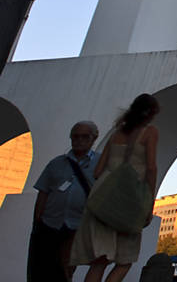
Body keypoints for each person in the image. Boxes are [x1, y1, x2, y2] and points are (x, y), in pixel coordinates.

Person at [71, 94, 160, 282]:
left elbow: (97, 171)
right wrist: (150, 200)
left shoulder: (117, 133)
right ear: (151, 114)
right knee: (124, 260)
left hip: (103, 198)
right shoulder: (149, 132)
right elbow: (151, 167)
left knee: (99, 261)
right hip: (129, 200)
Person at [27, 120, 100, 282]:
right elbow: (43, 192)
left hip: (79, 225)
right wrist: (37, 221)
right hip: (51, 223)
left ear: (94, 138)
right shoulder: (56, 163)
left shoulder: (100, 163)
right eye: (75, 136)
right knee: (44, 267)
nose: (79, 140)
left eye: (84, 137)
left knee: (67, 267)